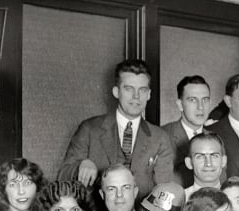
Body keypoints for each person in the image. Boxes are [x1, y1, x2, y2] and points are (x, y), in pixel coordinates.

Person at [59, 58, 174, 196]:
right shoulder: (89, 129)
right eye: (128, 89)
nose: (136, 96)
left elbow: (163, 191)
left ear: (149, 94)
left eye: (142, 90)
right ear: (116, 92)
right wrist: (80, 166)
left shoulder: (159, 137)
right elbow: (62, 177)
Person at [161, 75, 212, 188]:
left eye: (205, 100)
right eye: (193, 100)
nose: (200, 107)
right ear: (180, 105)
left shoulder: (215, 140)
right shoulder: (161, 136)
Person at [183, 133, 226, 199]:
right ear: (189, 163)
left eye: (214, 156)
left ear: (223, 161)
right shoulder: (180, 201)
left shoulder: (236, 199)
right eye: (200, 156)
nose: (208, 163)